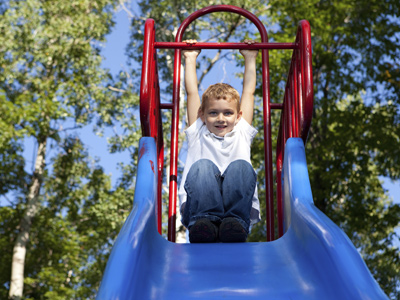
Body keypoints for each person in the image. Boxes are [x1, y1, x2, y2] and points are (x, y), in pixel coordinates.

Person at [179, 39, 260, 243]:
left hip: (235, 216)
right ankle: (204, 221)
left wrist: (250, 58)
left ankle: (234, 223)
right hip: (198, 213)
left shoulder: (241, 132)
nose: (221, 118)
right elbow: (191, 93)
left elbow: (249, 92)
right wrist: (190, 58)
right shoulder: (199, 132)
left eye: (227, 113)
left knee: (241, 167)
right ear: (203, 115)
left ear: (238, 116)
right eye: (213, 113)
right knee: (203, 166)